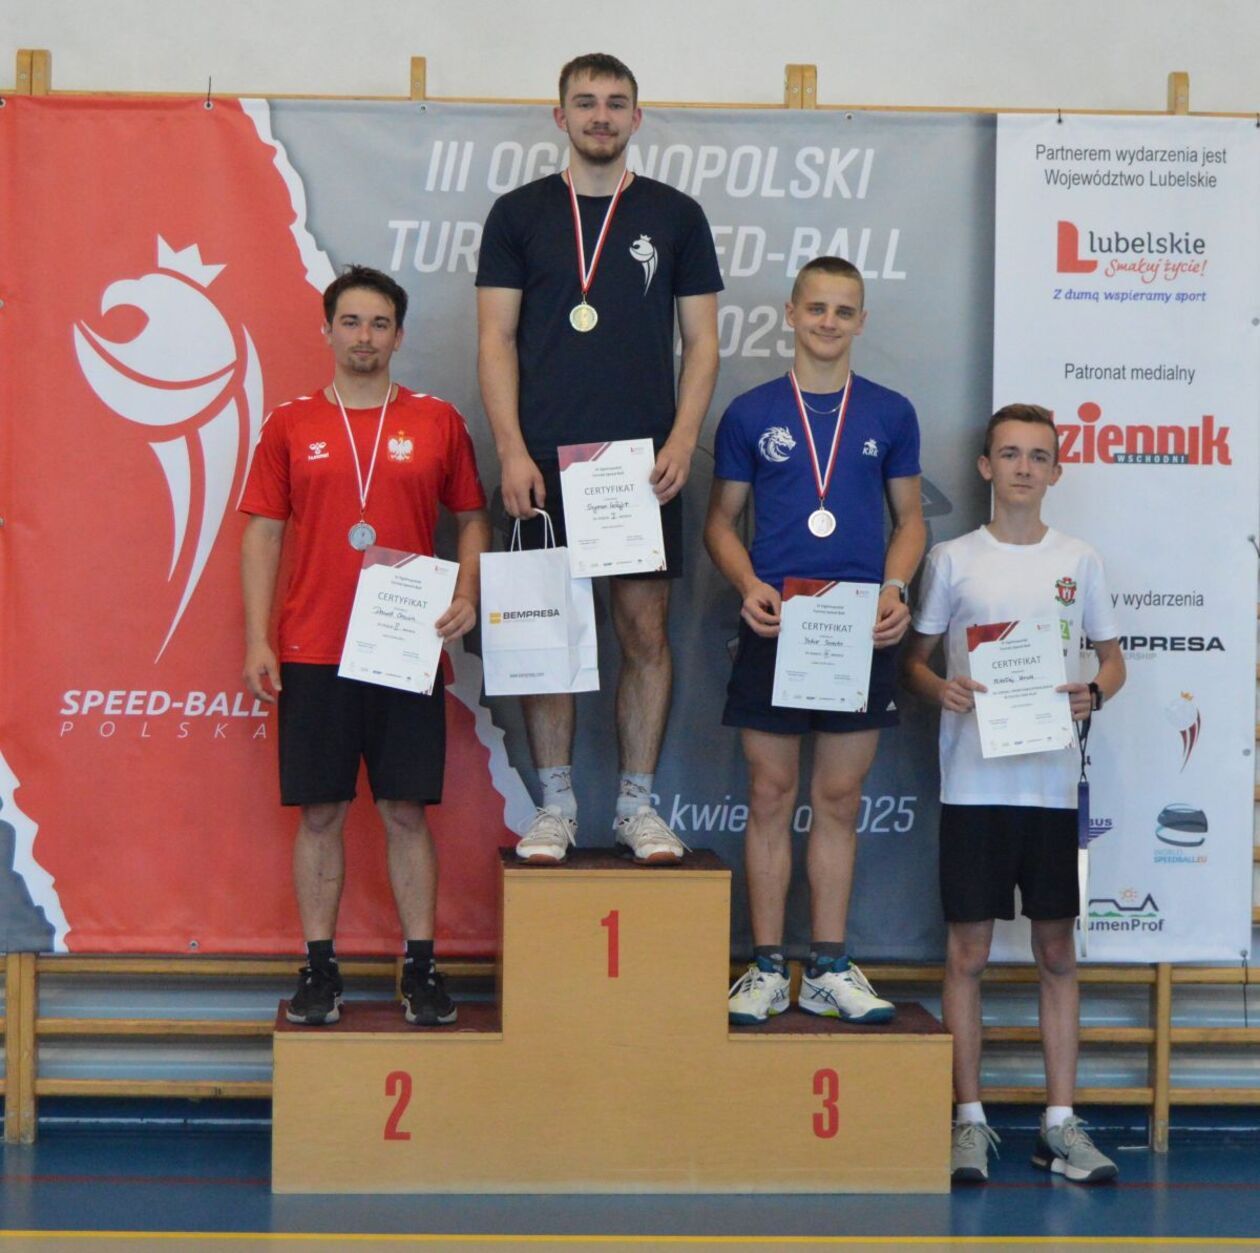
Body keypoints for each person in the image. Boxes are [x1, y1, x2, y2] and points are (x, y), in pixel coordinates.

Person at [476, 52, 722, 865]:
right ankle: (555, 806)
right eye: (585, 102)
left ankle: (635, 807)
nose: (601, 116)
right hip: (543, 462)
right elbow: (495, 338)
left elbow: (703, 343)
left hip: (639, 466)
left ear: (636, 118)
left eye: (616, 103)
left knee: (644, 630)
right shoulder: (518, 214)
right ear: (561, 117)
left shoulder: (676, 215)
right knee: (547, 631)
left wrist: (681, 439)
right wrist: (512, 449)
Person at [239, 265, 491, 1028]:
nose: (364, 336)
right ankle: (320, 969)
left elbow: (472, 517)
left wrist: (467, 594)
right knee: (319, 812)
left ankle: (421, 969)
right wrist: (258, 638)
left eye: (379, 323)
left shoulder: (437, 420)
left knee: (405, 809)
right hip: (313, 647)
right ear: (327, 330)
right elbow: (263, 532)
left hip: (404, 646)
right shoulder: (289, 424)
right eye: (350, 321)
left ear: (399, 335)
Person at [900, 403, 1126, 1184]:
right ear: (985, 467)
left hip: (1051, 789)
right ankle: (968, 1120)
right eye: (1009, 453)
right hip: (974, 785)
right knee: (965, 954)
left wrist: (1095, 692)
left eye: (1037, 455)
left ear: (1056, 470)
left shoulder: (1080, 560)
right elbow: (913, 662)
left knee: (1056, 952)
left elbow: (1113, 660)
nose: (1023, 467)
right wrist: (939, 687)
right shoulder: (953, 559)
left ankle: (1058, 1125)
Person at [704, 256, 925, 1025]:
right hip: (777, 620)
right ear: (791, 314)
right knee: (770, 793)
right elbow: (719, 522)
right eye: (818, 308)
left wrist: (895, 589)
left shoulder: (891, 413)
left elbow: (911, 521)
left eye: (844, 310)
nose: (829, 321)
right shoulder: (750, 413)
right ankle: (767, 967)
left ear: (861, 321)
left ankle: (828, 966)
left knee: (838, 797)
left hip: (859, 626)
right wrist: (747, 585)